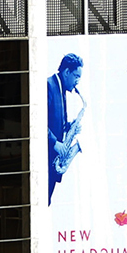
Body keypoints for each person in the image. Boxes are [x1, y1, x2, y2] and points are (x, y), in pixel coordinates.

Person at [46, 53, 85, 203]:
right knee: (44, 201)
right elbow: (37, 122)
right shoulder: (49, 86)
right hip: (47, 157)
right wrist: (55, 143)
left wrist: (70, 127)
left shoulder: (61, 89)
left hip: (53, 158)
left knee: (47, 200)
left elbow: (55, 121)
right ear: (66, 72)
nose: (77, 81)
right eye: (76, 76)